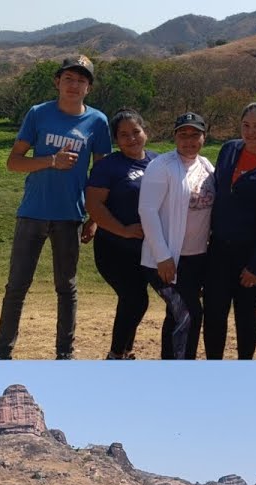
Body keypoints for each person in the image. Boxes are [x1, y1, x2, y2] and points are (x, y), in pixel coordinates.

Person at [0, 55, 111, 360]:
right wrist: (50, 161)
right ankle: (2, 353)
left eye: (81, 80)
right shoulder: (38, 114)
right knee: (17, 286)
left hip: (70, 215)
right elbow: (13, 162)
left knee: (66, 288)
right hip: (32, 212)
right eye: (68, 79)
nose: (74, 85)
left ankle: (64, 354)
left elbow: (100, 176)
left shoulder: (97, 122)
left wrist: (95, 217)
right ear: (57, 82)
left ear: (89, 88)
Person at [204, 102, 256, 359]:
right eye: (246, 126)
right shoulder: (229, 149)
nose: (251, 132)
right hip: (218, 249)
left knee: (245, 312)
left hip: (252, 253)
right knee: (214, 311)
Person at [138, 111, 214, 359]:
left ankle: (169, 361)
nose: (189, 140)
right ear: (175, 137)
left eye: (195, 135)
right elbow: (147, 211)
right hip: (166, 260)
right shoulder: (161, 166)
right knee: (190, 314)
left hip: (196, 258)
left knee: (176, 315)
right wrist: (163, 256)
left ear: (204, 137)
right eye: (183, 134)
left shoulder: (206, 166)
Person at [85, 108, 156, 359]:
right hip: (114, 248)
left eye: (135, 131)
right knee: (135, 298)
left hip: (146, 250)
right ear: (116, 140)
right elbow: (94, 205)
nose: (131, 138)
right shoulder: (108, 166)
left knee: (133, 299)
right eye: (123, 135)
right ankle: (116, 354)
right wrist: (123, 230)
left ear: (145, 131)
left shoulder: (158, 162)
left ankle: (126, 351)